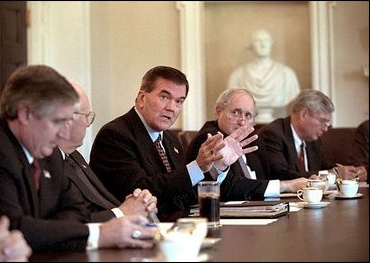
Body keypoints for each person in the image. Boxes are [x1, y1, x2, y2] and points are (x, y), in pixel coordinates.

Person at [0, 65, 156, 252]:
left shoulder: (46, 150)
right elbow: (13, 230)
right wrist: (99, 234)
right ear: (25, 114)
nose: (64, 132)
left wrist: (45, 229)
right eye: (57, 121)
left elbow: (77, 211)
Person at [90, 65, 258, 214]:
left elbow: (184, 194)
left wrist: (218, 167)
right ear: (142, 98)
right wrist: (197, 167)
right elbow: (141, 192)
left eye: (179, 101)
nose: (172, 108)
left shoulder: (170, 139)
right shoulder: (115, 135)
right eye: (164, 97)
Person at [57, 81, 158, 222]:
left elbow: (101, 200)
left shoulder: (74, 156)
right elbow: (69, 224)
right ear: (67, 118)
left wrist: (137, 204)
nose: (88, 123)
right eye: (86, 116)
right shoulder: (46, 165)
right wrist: (123, 212)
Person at [186, 88, 309, 200]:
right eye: (235, 112)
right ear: (218, 112)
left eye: (248, 115)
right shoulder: (209, 139)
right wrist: (286, 186)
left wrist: (309, 179)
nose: (242, 121)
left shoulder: (253, 139)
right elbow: (229, 187)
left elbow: (273, 172)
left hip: (260, 207)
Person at [260, 89, 359, 180]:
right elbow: (281, 175)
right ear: (304, 114)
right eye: (322, 121)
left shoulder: (313, 140)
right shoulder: (273, 134)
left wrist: (346, 171)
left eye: (327, 124)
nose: (325, 129)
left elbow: (324, 167)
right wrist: (332, 174)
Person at [228, 28, 300, 122]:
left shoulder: (286, 74)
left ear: (271, 43)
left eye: (266, 40)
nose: (263, 44)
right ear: (251, 45)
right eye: (258, 41)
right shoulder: (238, 75)